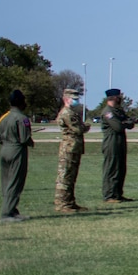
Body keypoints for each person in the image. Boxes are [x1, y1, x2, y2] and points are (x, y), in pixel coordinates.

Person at [0, 88, 32, 221]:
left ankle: (12, 209)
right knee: (15, 182)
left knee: (6, 182)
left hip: (4, 149)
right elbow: (24, 138)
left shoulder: (3, 118)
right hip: (17, 150)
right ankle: (6, 213)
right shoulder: (22, 118)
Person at [53, 85, 88, 214]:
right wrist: (85, 127)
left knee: (72, 176)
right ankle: (62, 203)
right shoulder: (67, 113)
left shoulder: (73, 113)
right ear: (66, 99)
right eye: (73, 98)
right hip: (68, 148)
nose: (76, 101)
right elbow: (78, 129)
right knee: (65, 176)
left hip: (74, 147)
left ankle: (70, 202)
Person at [98, 88, 132, 202]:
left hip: (120, 141)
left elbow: (130, 123)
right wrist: (124, 123)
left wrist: (125, 123)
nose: (120, 98)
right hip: (111, 142)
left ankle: (118, 193)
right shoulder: (108, 112)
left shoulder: (118, 111)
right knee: (111, 168)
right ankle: (109, 195)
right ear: (114, 98)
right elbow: (117, 127)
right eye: (119, 96)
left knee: (121, 168)